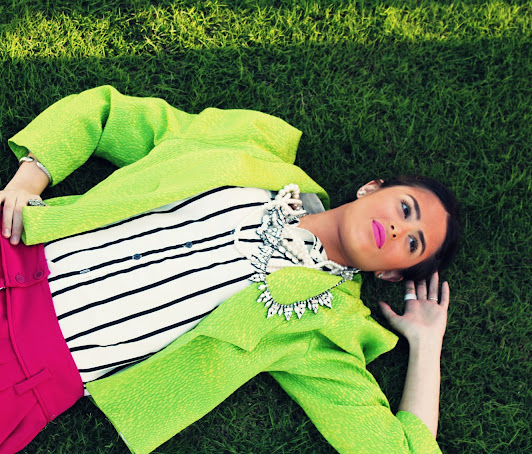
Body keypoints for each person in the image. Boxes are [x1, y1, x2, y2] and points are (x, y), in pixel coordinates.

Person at [0, 86, 459, 454]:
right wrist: (29, 178)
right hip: (18, 247)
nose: (399, 228)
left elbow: (399, 449)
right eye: (405, 208)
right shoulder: (247, 150)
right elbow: (108, 113)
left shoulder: (324, 327)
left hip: (31, 368)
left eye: (413, 243)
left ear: (392, 275)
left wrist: (426, 343)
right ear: (371, 188)